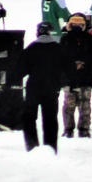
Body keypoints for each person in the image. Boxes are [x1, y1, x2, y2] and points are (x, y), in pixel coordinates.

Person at [14, 22, 67, 153]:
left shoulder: (31, 48)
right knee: (50, 119)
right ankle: (51, 148)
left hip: (33, 88)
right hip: (52, 89)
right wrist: (66, 83)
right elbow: (67, 68)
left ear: (37, 32)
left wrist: (9, 82)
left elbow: (19, 70)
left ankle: (32, 146)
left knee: (29, 117)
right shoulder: (58, 48)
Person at [60, 13, 92, 138]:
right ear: (69, 25)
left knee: (85, 105)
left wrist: (83, 63)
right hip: (69, 78)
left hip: (85, 77)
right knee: (68, 105)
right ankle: (68, 129)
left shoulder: (90, 39)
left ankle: (84, 129)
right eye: (74, 24)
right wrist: (73, 64)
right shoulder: (64, 39)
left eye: (80, 24)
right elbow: (61, 57)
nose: (77, 26)